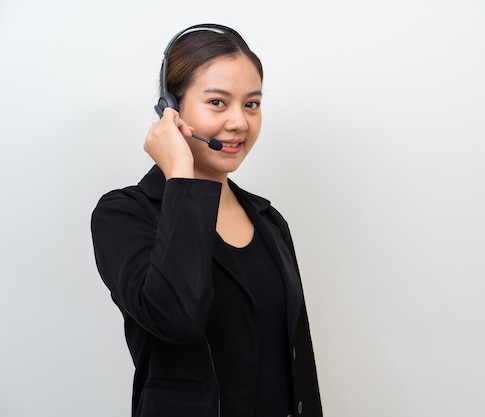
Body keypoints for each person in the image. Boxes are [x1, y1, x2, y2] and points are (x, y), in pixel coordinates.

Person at [90, 23, 322, 417]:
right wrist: (180, 175)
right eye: (218, 102)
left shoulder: (268, 221)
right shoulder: (125, 214)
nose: (239, 122)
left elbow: (298, 363)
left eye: (251, 104)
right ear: (170, 110)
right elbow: (178, 318)